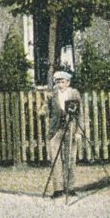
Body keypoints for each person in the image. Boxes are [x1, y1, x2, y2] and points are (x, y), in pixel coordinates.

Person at [40, 69, 82, 198]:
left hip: (70, 129)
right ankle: (58, 189)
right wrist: (42, 111)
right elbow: (46, 107)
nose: (60, 84)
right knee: (55, 159)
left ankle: (70, 187)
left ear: (68, 82)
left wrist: (78, 131)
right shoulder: (52, 94)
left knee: (70, 158)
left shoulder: (74, 93)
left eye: (62, 81)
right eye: (57, 82)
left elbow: (80, 113)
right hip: (55, 130)